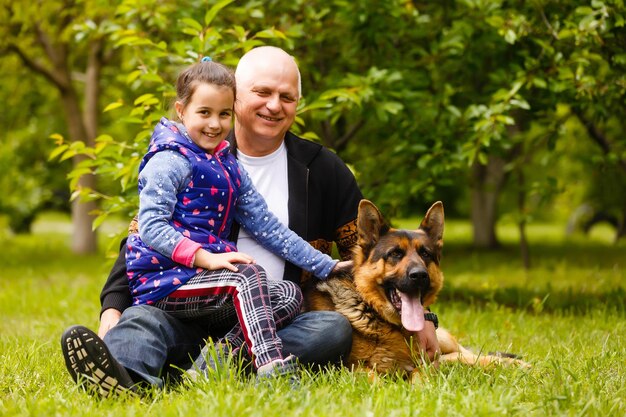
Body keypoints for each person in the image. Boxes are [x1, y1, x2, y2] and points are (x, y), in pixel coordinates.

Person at [61, 46, 439, 397]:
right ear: (236, 95)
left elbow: (375, 259)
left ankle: (203, 373)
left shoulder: (323, 170)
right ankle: (126, 378)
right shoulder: (194, 156)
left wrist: (421, 316)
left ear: (297, 104)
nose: (274, 106)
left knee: (331, 329)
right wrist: (112, 306)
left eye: (286, 97)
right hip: (186, 307)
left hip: (274, 324)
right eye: (262, 92)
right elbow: (145, 233)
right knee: (142, 320)